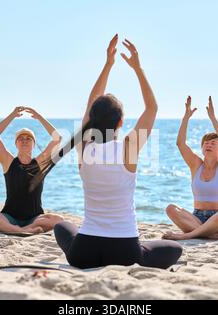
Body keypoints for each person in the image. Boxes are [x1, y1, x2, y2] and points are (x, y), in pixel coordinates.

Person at [50, 34, 182, 269]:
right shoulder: (128, 148)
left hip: (84, 252)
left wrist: (108, 64)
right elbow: (152, 107)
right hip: (125, 252)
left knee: (61, 227)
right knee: (176, 249)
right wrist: (138, 69)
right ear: (121, 123)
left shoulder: (83, 146)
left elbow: (91, 102)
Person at [0, 106, 64, 233]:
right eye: (20, 139)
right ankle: (19, 230)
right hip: (9, 217)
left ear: (34, 144)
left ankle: (21, 229)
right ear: (16, 144)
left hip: (35, 217)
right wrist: (12, 115)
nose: (24, 141)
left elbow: (58, 139)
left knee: (58, 219)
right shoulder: (8, 162)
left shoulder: (40, 163)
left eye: (28, 138)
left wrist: (39, 117)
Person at [162, 96, 218, 240]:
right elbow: (180, 144)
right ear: (202, 148)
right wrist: (186, 118)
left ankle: (189, 235)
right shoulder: (196, 165)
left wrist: (213, 118)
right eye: (206, 143)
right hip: (197, 218)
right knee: (171, 208)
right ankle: (210, 235)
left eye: (213, 143)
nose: (209, 144)